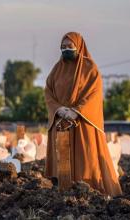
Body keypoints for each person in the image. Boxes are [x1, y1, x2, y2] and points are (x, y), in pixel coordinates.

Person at [44, 32, 122, 196]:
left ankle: (91, 194)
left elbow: (94, 93)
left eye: (70, 46)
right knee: (62, 165)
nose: (66, 49)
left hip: (83, 124)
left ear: (79, 46)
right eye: (63, 47)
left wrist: (77, 111)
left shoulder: (90, 68)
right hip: (61, 122)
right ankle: (64, 193)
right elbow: (48, 92)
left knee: (87, 160)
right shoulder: (57, 69)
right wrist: (59, 109)